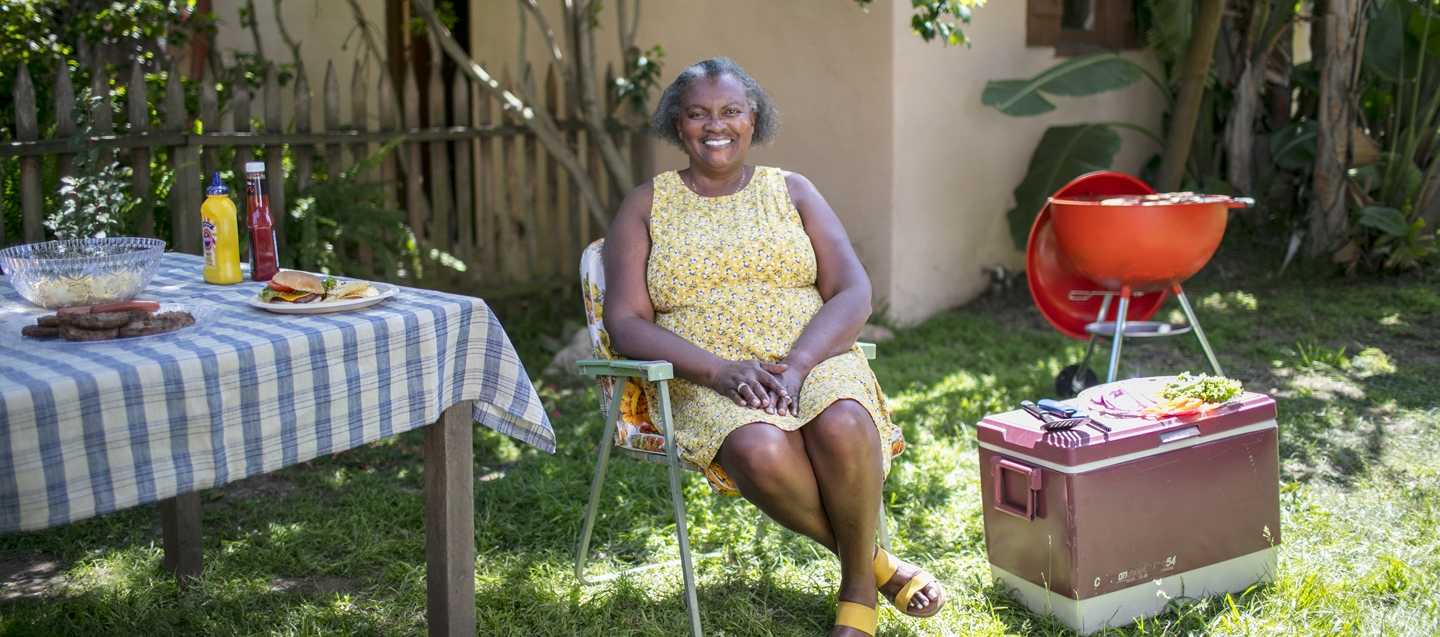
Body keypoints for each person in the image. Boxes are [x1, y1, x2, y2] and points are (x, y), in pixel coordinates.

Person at [602, 57, 946, 636]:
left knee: (842, 423)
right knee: (759, 448)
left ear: (753, 119)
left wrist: (799, 366)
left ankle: (857, 598)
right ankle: (876, 566)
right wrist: (719, 372)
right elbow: (627, 321)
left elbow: (853, 290)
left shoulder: (793, 190)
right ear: (676, 124)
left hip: (812, 356)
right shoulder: (645, 205)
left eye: (732, 111)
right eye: (698, 113)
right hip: (707, 371)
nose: (717, 125)